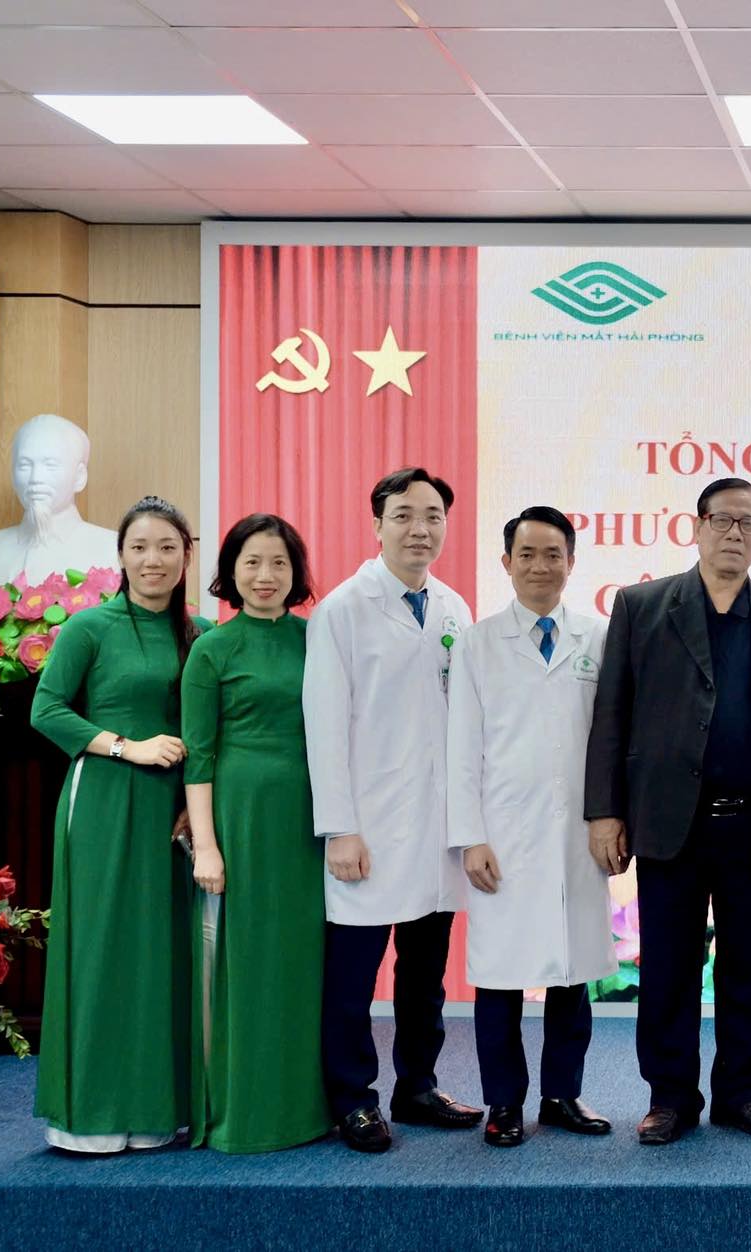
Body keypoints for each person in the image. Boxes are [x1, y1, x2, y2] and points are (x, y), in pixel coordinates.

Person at [584, 478, 751, 1146]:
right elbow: (612, 713)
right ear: (697, 526)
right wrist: (605, 812)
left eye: (748, 523)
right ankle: (670, 1097)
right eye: (722, 520)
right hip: (669, 819)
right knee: (669, 968)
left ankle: (743, 1094)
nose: (734, 533)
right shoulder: (643, 606)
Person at [302, 467, 478, 1153]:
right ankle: (353, 1098)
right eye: (404, 515)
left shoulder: (454, 608)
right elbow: (324, 725)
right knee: (353, 978)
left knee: (424, 974)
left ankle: (418, 1088)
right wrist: (340, 828)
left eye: (433, 516)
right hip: (368, 826)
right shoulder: (344, 610)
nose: (420, 529)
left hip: (437, 827)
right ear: (377, 525)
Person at [31, 496, 206, 1152]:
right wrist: (125, 746)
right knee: (103, 945)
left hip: (173, 812)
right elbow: (46, 710)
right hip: (104, 799)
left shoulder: (202, 634)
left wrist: (196, 805)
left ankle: (155, 1108)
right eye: (139, 547)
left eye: (166, 547)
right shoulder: (90, 627)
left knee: (161, 952)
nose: (152, 560)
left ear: (187, 555)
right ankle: (91, 1116)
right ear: (121, 556)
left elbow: (208, 728)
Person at [447, 507, 615, 1148]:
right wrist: (470, 837)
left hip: (577, 835)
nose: (540, 566)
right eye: (527, 554)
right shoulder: (478, 643)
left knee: (573, 973)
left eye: (553, 554)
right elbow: (462, 748)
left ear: (572, 562)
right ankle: (504, 1102)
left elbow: (614, 738)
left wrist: (613, 819)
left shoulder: (598, 638)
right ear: (506, 562)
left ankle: (563, 1094)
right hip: (504, 836)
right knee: (501, 977)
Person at [182, 513, 331, 1153]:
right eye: (251, 562)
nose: (265, 575)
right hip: (241, 817)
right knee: (246, 963)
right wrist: (207, 846)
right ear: (230, 571)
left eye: (278, 562)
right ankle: (244, 1113)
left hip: (311, 817)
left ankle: (307, 1108)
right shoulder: (211, 649)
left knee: (305, 961)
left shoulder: (317, 638)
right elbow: (199, 755)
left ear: (296, 571)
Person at [0, 413, 120, 585]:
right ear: (13, 475)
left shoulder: (117, 553)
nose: (35, 478)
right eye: (25, 465)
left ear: (79, 477)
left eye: (50, 465)